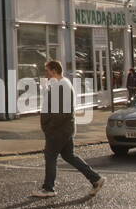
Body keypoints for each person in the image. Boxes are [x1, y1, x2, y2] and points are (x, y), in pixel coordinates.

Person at [32, 60, 105, 198]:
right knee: (69, 156)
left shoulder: (61, 86)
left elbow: (61, 111)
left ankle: (48, 188)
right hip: (65, 129)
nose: (45, 73)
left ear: (54, 71)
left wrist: (49, 127)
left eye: (47, 70)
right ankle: (96, 179)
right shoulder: (62, 84)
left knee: (50, 156)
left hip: (59, 130)